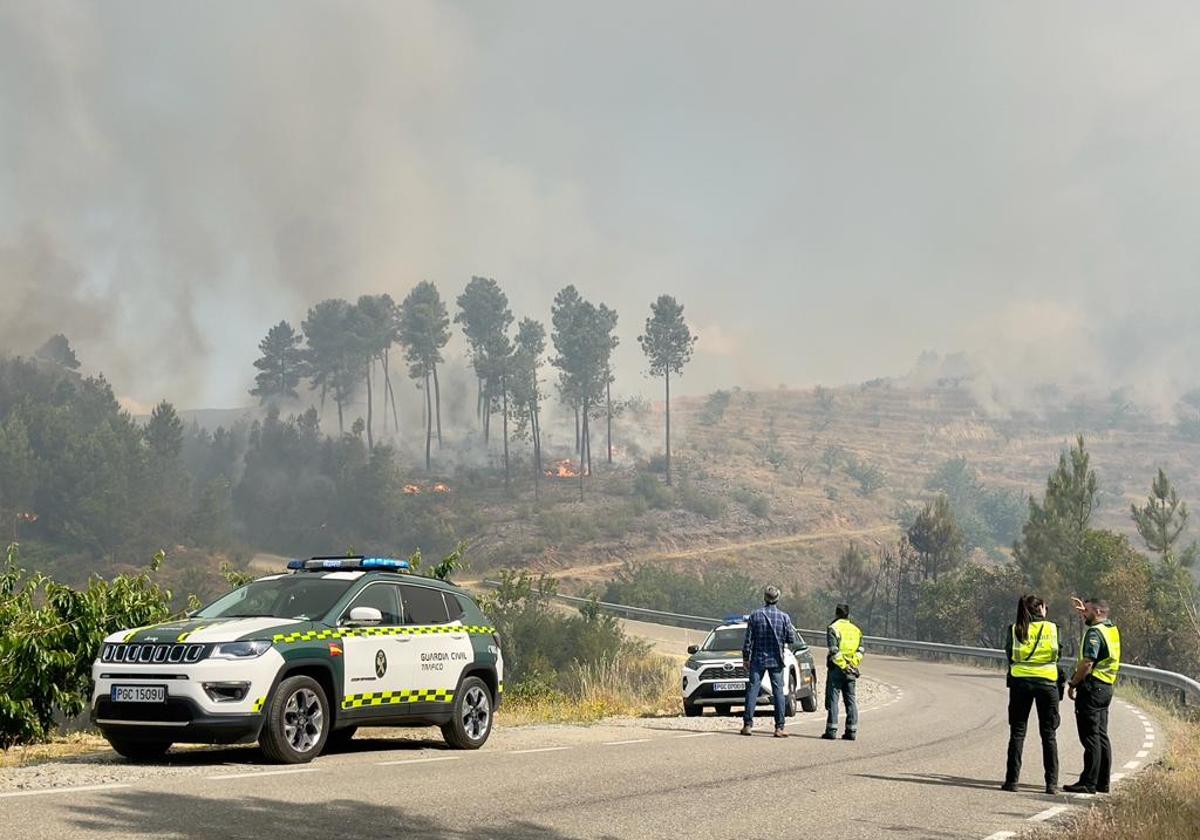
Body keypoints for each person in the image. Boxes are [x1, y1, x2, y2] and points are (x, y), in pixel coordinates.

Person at [1001, 595, 1061, 794]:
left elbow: (1010, 655)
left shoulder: (1015, 629)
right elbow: (1057, 654)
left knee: (1017, 733)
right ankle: (1051, 784)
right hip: (1047, 683)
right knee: (1048, 735)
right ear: (1041, 609)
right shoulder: (1052, 628)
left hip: (1021, 683)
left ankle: (1012, 781)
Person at [1064, 596, 1121, 795]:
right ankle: (1102, 782)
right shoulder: (1110, 629)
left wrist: (1073, 683)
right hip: (1106, 687)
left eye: (1086, 611)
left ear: (1097, 612)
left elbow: (1087, 662)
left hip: (1092, 687)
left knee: (1090, 737)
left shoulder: (1095, 633)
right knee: (1101, 735)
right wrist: (1084, 612)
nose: (1083, 613)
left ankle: (1088, 782)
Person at [740, 585, 796, 738]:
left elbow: (748, 641)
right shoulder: (784, 617)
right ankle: (779, 727)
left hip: (757, 658)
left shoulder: (755, 615)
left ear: (765, 598)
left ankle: (748, 725)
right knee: (778, 691)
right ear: (777, 599)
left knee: (752, 690)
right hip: (776, 659)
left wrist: (746, 658)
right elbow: (790, 638)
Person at [822, 603, 864, 741]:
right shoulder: (856, 630)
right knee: (850, 700)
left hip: (837, 669)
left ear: (836, 613)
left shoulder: (833, 628)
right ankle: (851, 731)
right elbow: (860, 651)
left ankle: (831, 730)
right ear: (848, 614)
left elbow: (834, 651)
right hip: (851, 670)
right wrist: (852, 664)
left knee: (833, 699)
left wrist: (843, 665)